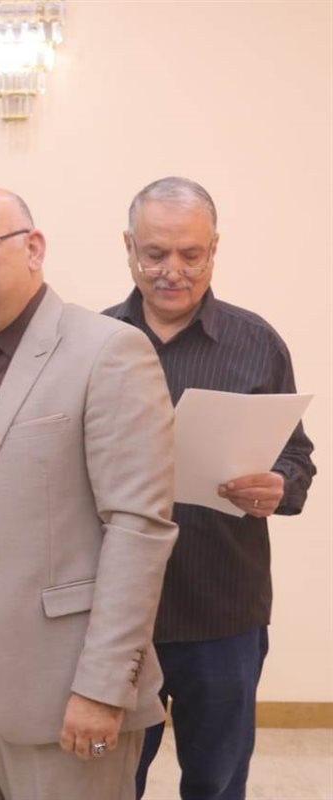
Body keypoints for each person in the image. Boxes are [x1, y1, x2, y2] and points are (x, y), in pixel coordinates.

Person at [0, 187, 178, 799]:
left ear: (33, 249)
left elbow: (138, 530)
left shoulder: (108, 351)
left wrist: (104, 686)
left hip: (66, 684)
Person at [104, 176, 316, 800]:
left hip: (223, 609)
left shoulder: (256, 343)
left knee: (218, 783)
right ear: (129, 247)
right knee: (108, 782)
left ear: (214, 249)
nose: (174, 270)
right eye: (156, 253)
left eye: (191, 254)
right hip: (118, 615)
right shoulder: (95, 343)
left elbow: (297, 458)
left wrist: (279, 485)